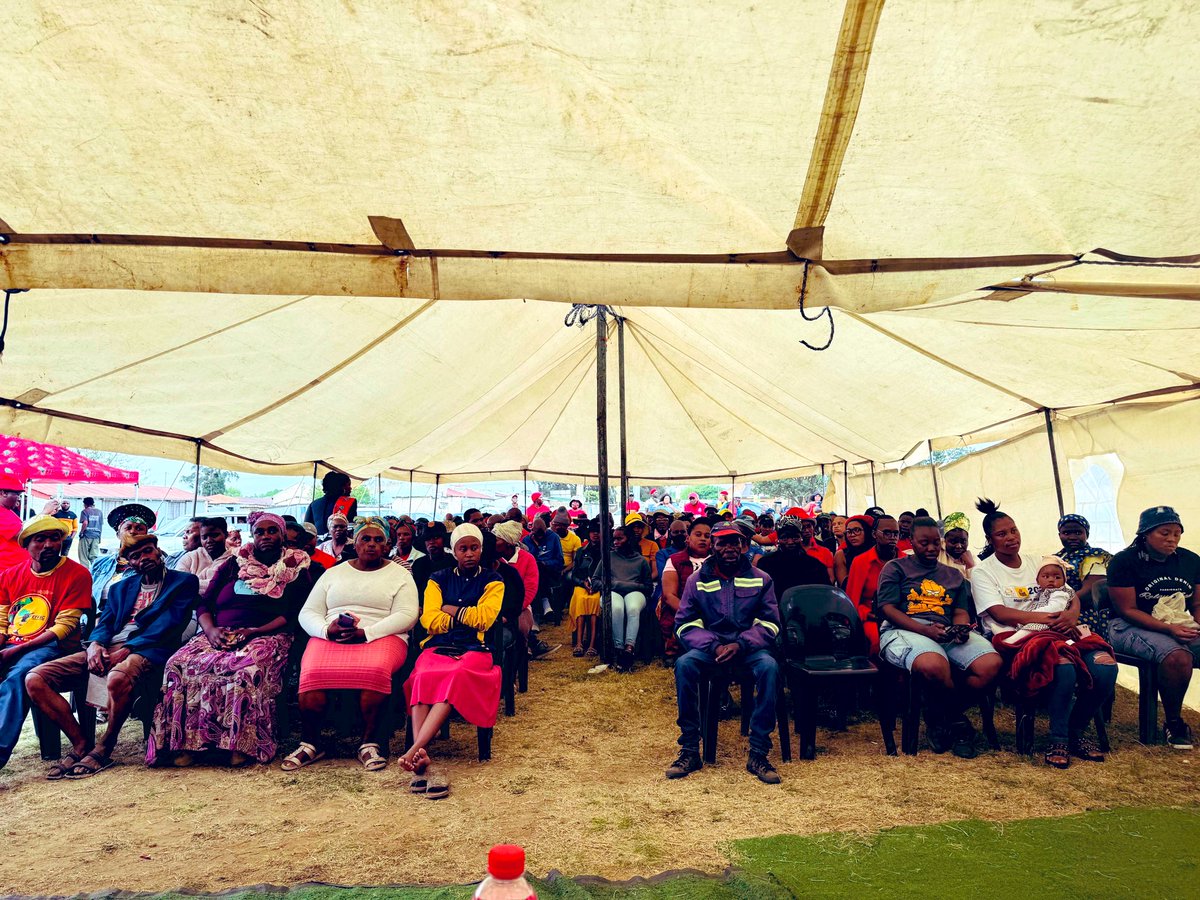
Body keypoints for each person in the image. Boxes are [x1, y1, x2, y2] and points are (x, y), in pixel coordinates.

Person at [26, 532, 197, 778]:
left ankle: (105, 746)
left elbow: (169, 624)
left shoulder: (182, 582)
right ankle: (81, 744)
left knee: (118, 677)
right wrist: (96, 645)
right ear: (130, 562)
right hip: (109, 649)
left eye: (148, 551)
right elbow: (105, 623)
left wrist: (126, 649)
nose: (144, 558)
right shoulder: (120, 588)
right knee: (36, 678)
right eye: (135, 556)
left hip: (149, 649)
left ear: (158, 551)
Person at [151, 512, 311, 767]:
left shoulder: (294, 567)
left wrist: (253, 632)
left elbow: (292, 615)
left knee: (243, 669)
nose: (266, 536)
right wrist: (211, 631)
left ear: (282, 535)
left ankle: (240, 745)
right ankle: (187, 744)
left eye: (272, 531)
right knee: (178, 665)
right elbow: (204, 604)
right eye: (260, 532)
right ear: (252, 535)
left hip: (268, 633)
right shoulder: (234, 564)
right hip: (220, 630)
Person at [971, 499, 1117, 766]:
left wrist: (1072, 613)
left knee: (1106, 667)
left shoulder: (1038, 561)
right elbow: (1000, 614)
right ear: (990, 539)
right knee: (1062, 666)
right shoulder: (983, 571)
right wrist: (1049, 619)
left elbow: (1069, 593)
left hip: (1059, 630)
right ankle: (1058, 739)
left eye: (1013, 530)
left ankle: (1076, 729)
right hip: (1014, 638)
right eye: (1002, 534)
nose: (1011, 538)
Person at [282, 517, 418, 771]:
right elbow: (308, 612)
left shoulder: (400, 574)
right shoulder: (334, 572)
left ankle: (369, 743)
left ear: (387, 544)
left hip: (383, 635)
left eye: (379, 540)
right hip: (333, 636)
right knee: (312, 670)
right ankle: (311, 742)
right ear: (354, 543)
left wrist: (367, 633)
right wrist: (326, 630)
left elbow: (407, 615)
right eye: (365, 539)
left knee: (374, 670)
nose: (371, 545)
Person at [875, 517, 1003, 758]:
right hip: (903, 629)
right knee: (933, 663)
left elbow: (960, 610)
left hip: (946, 630)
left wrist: (961, 628)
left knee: (990, 664)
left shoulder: (953, 575)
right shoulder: (896, 568)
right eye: (924, 543)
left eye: (936, 542)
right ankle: (956, 722)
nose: (932, 548)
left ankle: (940, 714)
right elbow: (887, 608)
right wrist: (924, 630)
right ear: (911, 541)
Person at [667, 522, 782, 784]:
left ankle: (759, 753)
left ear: (743, 545)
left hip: (748, 650)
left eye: (735, 543)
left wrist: (742, 644)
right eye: (722, 543)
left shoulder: (760, 578)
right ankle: (689, 749)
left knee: (769, 668)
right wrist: (713, 645)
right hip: (712, 650)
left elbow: (771, 623)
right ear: (714, 546)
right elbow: (684, 624)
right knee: (684, 665)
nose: (729, 548)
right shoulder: (697, 580)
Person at [400, 523, 504, 797]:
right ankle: (422, 757)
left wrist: (448, 609)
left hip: (476, 650)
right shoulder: (438, 578)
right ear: (454, 551)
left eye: (474, 548)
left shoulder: (494, 580)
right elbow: (428, 620)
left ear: (481, 549)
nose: (469, 553)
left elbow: (485, 619)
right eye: (463, 548)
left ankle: (414, 750)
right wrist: (463, 616)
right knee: (422, 675)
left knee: (455, 676)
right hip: (438, 646)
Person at [0, 516, 92, 769]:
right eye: (40, 539)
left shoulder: (77, 574)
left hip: (54, 647)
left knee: (19, 676)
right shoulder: (9, 576)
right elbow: (2, 622)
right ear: (26, 545)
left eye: (55, 538)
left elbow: (64, 627)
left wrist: (15, 651)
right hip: (13, 644)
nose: (49, 544)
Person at [1106, 505, 1200, 750]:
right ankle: (1174, 722)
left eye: (1177, 533)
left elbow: (1198, 603)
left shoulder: (1190, 560)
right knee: (1177, 656)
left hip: (1177, 622)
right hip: (1126, 626)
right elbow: (1128, 610)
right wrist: (1169, 630)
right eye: (1164, 533)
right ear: (1145, 534)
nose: (1172, 539)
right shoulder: (1124, 561)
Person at [845, 515, 902, 654]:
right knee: (877, 642)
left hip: (904, 616)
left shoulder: (906, 561)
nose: (892, 537)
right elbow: (851, 602)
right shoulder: (861, 562)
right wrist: (867, 615)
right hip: (871, 617)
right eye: (887, 533)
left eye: (896, 533)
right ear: (874, 534)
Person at [659, 518, 712, 663]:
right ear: (688, 538)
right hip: (683, 613)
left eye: (707, 536)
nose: (703, 539)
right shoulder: (674, 560)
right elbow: (669, 596)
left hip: (714, 614)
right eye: (698, 534)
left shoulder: (717, 561)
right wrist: (692, 613)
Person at [603, 526, 652, 672]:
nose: (616, 542)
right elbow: (596, 580)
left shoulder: (641, 561)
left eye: (620, 538)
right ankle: (618, 649)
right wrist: (613, 585)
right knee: (616, 607)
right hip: (613, 591)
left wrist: (626, 585)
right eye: (614, 538)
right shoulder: (609, 557)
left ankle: (629, 648)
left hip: (635, 592)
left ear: (629, 539)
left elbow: (649, 587)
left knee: (632, 608)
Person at [90, 503, 156, 609]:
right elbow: (84, 595)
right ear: (118, 535)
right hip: (94, 618)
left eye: (139, 528)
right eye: (128, 528)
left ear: (146, 535)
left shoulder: (154, 564)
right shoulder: (100, 563)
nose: (133, 531)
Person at [1055, 514, 1113, 633]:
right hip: (1058, 606)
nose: (1072, 537)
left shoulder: (1096, 556)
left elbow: (1090, 590)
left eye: (1078, 533)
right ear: (1059, 535)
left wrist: (1059, 603)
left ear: (1087, 534)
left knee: (1057, 629)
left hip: (1087, 611)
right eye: (1066, 533)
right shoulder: (1055, 558)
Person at [756, 516, 831, 600]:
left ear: (801, 538)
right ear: (778, 540)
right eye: (785, 538)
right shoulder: (766, 563)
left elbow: (825, 594)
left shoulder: (815, 565)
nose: (790, 542)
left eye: (795, 537)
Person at [567, 520, 603, 658]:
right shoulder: (581, 551)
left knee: (594, 602)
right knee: (581, 600)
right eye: (593, 531)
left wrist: (596, 585)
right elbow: (574, 575)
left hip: (598, 587)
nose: (595, 534)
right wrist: (583, 583)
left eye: (598, 531)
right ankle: (579, 643)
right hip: (582, 585)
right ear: (588, 533)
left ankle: (593, 644)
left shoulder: (607, 552)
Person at [175, 517, 233, 595]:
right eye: (204, 537)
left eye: (214, 535)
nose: (209, 541)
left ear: (226, 535)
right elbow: (178, 584)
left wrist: (192, 583)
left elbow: (227, 589)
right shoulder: (189, 558)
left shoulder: (234, 560)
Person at [522, 517, 564, 624]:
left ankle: (537, 615)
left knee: (539, 569)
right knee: (535, 569)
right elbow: (526, 560)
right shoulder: (527, 540)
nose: (540, 537)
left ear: (546, 529)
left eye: (542, 534)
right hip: (533, 573)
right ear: (532, 531)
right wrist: (535, 544)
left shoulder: (553, 537)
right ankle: (545, 604)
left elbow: (560, 561)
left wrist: (546, 563)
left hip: (551, 571)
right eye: (537, 535)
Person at [551, 512, 581, 621]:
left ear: (565, 526)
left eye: (559, 525)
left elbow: (576, 561)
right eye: (555, 525)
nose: (557, 527)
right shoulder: (551, 537)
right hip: (553, 567)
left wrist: (565, 570)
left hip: (568, 567)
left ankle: (568, 604)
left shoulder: (574, 539)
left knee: (569, 577)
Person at [834, 515, 873, 587]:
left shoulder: (877, 552)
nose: (852, 535)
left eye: (857, 530)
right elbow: (845, 586)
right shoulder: (841, 554)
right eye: (849, 531)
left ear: (867, 531)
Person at [939, 512, 977, 579]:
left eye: (963, 542)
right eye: (953, 542)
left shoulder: (973, 559)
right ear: (945, 540)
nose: (959, 546)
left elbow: (977, 586)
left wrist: (970, 566)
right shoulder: (938, 554)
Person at [798, 516, 835, 582]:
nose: (806, 530)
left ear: (813, 528)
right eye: (803, 527)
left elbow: (831, 578)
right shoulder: (792, 551)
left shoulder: (825, 552)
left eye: (809, 526)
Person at [624, 513, 659, 581]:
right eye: (633, 527)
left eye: (639, 527)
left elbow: (655, 572)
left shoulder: (652, 545)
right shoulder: (622, 545)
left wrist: (644, 583)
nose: (636, 530)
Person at [77, 497, 104, 568]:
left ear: (85, 504)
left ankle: (85, 572)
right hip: (96, 536)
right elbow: (100, 525)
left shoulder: (84, 511)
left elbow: (85, 523)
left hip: (86, 535)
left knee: (83, 556)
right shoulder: (99, 512)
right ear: (93, 503)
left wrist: (81, 532)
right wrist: (99, 537)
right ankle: (96, 571)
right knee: (94, 556)